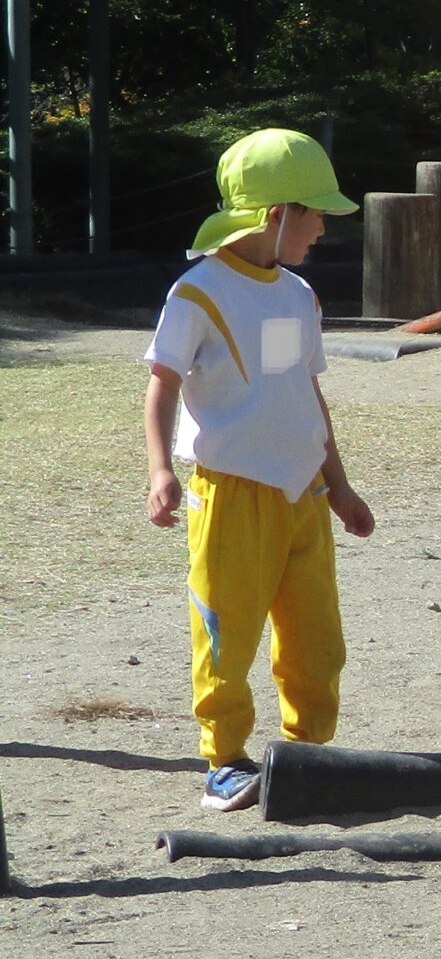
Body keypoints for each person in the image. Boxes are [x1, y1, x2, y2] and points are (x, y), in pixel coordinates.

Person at [141, 130, 374, 814]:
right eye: (316, 213)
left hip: (304, 493)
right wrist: (160, 470)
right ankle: (224, 760)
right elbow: (161, 384)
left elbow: (301, 391)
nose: (323, 227)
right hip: (232, 494)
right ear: (276, 215)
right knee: (227, 632)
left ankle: (309, 755)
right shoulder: (199, 293)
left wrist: (339, 484)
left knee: (317, 641)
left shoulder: (297, 295)